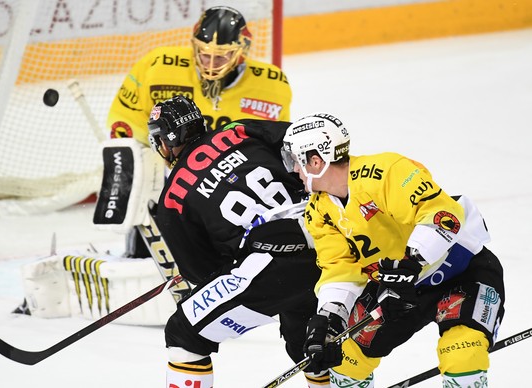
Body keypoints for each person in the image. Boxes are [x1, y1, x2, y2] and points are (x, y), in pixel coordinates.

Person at [280, 113, 505, 387]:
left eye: (295, 161)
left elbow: (444, 215)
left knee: (462, 352)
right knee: (346, 362)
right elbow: (340, 269)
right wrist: (328, 319)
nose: (293, 170)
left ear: (315, 161)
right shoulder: (318, 211)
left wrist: (411, 261)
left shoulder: (385, 170)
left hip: (460, 271)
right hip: (396, 291)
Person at [148, 95, 330, 388]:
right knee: (311, 342)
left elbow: (202, 273)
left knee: (184, 333)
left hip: (274, 266)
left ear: (167, 141)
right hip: (329, 236)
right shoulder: (240, 129)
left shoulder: (171, 198)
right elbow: (303, 142)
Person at [104, 6, 292, 258]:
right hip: (172, 179)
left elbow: (274, 145)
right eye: (204, 55)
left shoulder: (272, 84)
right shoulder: (157, 66)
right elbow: (124, 123)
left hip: (232, 183)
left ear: (240, 53)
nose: (211, 64)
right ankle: (143, 253)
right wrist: (150, 166)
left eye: (221, 57)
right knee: (156, 245)